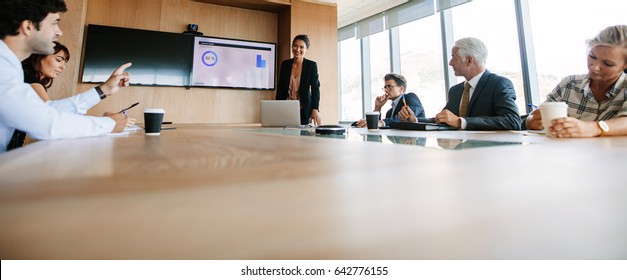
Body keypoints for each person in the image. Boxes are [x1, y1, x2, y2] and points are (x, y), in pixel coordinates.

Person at [0, 0, 131, 154]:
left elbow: (45, 111)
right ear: (28, 26)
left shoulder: (9, 67)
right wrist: (109, 124)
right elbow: (47, 124)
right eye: (54, 23)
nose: (59, 32)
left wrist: (104, 90)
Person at [398, 37, 521, 130]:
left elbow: (513, 121)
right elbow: (443, 119)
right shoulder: (455, 91)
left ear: (468, 60)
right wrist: (415, 120)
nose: (450, 63)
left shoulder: (498, 84)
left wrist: (461, 122)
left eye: (454, 57)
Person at [525, 25, 627, 137]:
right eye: (592, 57)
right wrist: (533, 121)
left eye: (607, 64)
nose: (595, 67)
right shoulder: (569, 84)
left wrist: (593, 128)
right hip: (569, 153)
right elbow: (536, 118)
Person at [276, 34, 321, 126]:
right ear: (292, 46)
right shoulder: (285, 65)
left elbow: (315, 88)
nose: (298, 49)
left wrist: (315, 109)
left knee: (302, 137)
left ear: (306, 49)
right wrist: (277, 107)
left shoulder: (311, 66)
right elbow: (280, 88)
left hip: (303, 109)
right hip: (286, 108)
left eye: (301, 47)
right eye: (295, 46)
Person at [355, 73, 425, 128]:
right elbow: (377, 126)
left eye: (389, 86)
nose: (386, 90)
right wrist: (377, 108)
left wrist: (382, 122)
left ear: (401, 89)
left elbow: (407, 116)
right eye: (385, 87)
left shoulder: (410, 97)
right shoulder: (389, 113)